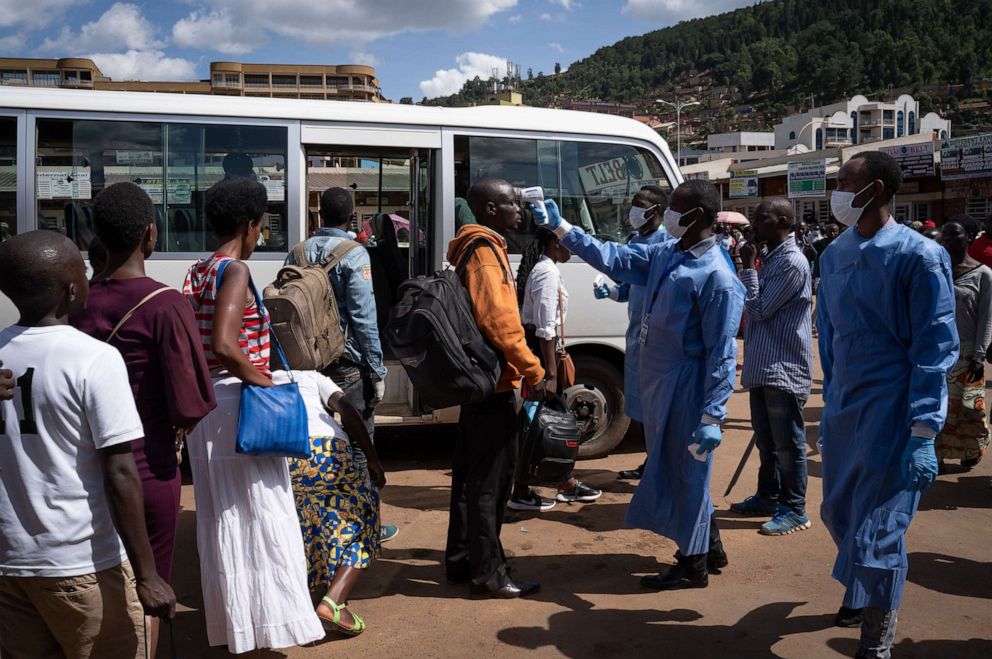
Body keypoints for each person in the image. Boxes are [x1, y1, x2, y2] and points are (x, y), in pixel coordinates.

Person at [534, 180, 745, 591]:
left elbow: (722, 353)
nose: (666, 215)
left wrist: (712, 415)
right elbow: (616, 258)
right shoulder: (668, 253)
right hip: (661, 382)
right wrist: (565, 231)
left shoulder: (716, 277)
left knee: (689, 475)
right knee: (678, 470)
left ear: (697, 216)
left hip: (688, 388)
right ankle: (708, 547)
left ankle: (693, 563)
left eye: (675, 208)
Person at [0, 231, 176, 659]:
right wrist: (148, 573)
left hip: (10, 564)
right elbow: (120, 472)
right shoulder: (94, 358)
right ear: (72, 289)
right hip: (81, 565)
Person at [817, 151, 958, 657]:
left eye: (842, 182)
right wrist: (831, 405)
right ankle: (862, 593)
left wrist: (923, 431)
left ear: (873, 190)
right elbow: (830, 339)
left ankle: (876, 643)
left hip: (894, 414)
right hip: (845, 411)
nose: (834, 190)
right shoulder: (833, 255)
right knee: (838, 513)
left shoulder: (918, 256)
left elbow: (933, 348)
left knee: (879, 534)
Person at [72, 183, 216, 657]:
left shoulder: (74, 304)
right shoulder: (164, 304)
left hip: (84, 471)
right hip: (146, 470)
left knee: (98, 584)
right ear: (151, 235)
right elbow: (190, 405)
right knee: (148, 589)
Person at [183, 177, 324, 652]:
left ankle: (240, 628)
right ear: (249, 224)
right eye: (261, 226)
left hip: (211, 410)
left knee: (227, 520)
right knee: (262, 516)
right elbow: (225, 345)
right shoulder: (235, 271)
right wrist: (264, 381)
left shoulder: (198, 270)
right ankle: (265, 633)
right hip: (240, 405)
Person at [445, 177, 551, 598]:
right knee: (491, 485)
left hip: (476, 384)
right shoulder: (487, 253)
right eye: (510, 204)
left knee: (469, 480)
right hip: (494, 384)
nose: (519, 211)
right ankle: (489, 574)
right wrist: (534, 369)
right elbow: (500, 323)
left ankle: (462, 561)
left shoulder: (468, 246)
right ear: (490, 209)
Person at [287, 187, 397, 543]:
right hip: (347, 365)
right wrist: (377, 370)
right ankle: (366, 527)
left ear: (319, 218)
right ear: (351, 218)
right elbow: (365, 319)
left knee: (312, 448)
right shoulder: (355, 254)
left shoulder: (298, 251)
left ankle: (315, 527)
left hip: (306, 365)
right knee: (358, 446)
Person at [730, 198, 813, 536]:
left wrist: (748, 267)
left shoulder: (792, 262)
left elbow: (759, 308)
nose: (753, 224)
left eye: (761, 218)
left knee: (788, 444)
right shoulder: (773, 257)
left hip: (783, 365)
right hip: (764, 363)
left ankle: (795, 508)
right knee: (767, 441)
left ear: (782, 222)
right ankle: (769, 495)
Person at [285, 368, 386, 637]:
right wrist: (372, 459)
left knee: (306, 525)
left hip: (282, 457)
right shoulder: (310, 375)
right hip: (327, 450)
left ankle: (306, 602)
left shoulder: (256, 375)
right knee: (363, 517)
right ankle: (333, 602)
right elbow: (348, 410)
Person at [508, 229, 602, 511]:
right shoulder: (546, 273)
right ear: (554, 242)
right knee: (536, 424)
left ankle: (560, 482)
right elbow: (545, 327)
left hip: (539, 354)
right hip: (541, 356)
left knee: (535, 422)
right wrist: (549, 373)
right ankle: (529, 489)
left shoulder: (543, 268)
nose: (573, 247)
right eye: (569, 241)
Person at [593, 185, 670, 481]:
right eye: (633, 203)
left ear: (656, 211)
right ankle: (652, 462)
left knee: (657, 407)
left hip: (656, 337)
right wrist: (611, 292)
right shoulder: (635, 240)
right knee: (642, 404)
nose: (633, 210)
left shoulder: (665, 244)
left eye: (640, 205)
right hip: (635, 333)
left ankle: (660, 466)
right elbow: (629, 287)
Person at [936, 221, 992, 470]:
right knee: (940, 405)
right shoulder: (937, 269)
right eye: (944, 235)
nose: (947, 239)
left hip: (968, 351)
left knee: (969, 407)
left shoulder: (983, 275)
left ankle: (971, 449)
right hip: (938, 349)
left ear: (968, 237)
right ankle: (936, 454)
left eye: (954, 234)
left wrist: (979, 356)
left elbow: (987, 317)